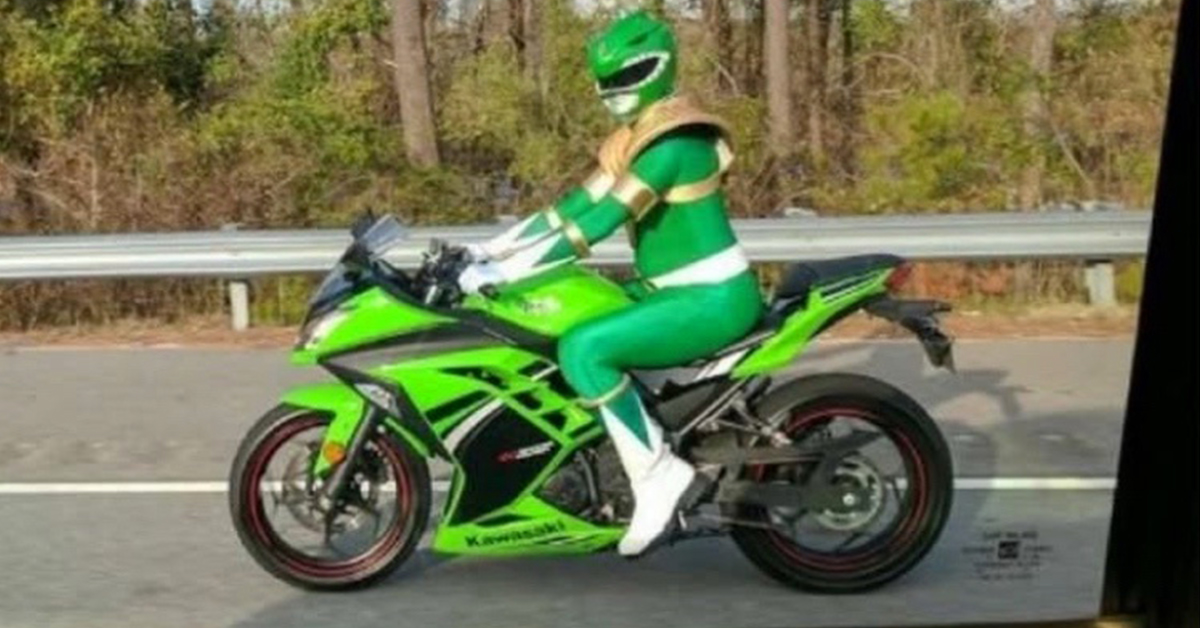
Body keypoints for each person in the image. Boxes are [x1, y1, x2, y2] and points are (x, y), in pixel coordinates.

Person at [456, 9, 764, 557]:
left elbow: (597, 224)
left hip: (710, 298)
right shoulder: (639, 137)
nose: (612, 91)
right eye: (605, 81)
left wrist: (504, 272)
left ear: (658, 67)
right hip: (669, 290)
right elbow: (570, 208)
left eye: (625, 77)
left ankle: (658, 476)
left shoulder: (674, 145)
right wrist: (488, 250)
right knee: (570, 312)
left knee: (584, 349)